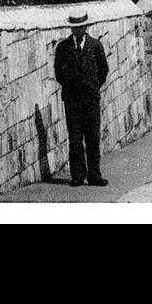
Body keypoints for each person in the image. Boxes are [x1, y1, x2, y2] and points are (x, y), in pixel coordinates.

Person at [55, 11, 110, 187]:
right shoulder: (63, 47)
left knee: (93, 138)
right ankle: (77, 175)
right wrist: (71, 87)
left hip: (91, 99)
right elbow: (58, 72)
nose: (77, 31)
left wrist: (92, 87)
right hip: (72, 99)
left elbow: (103, 70)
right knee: (75, 138)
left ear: (86, 27)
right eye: (74, 28)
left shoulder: (95, 46)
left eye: (80, 28)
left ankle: (94, 175)